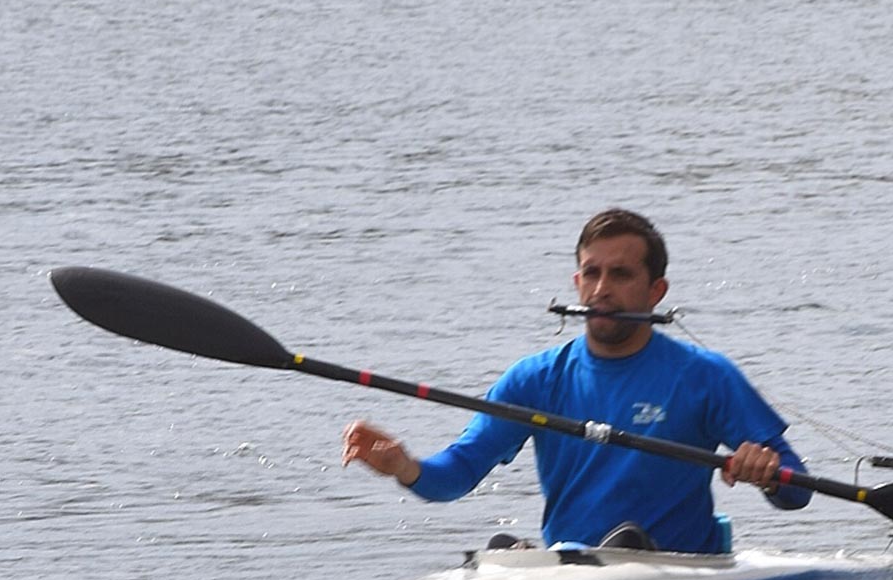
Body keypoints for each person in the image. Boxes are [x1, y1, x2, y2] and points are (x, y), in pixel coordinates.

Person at [342, 208, 811, 553]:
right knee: (503, 549)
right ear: (577, 283)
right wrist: (405, 467)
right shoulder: (534, 380)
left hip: (676, 570)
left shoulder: (704, 376)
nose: (602, 289)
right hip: (575, 571)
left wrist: (766, 474)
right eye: (592, 273)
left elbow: (798, 489)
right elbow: (458, 473)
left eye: (621, 275)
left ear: (655, 292)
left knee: (627, 541)